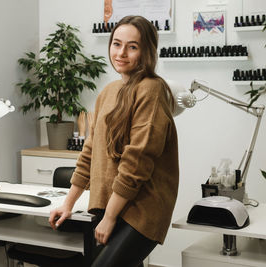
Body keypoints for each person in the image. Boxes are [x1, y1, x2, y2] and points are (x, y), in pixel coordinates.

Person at [49, 15, 179, 267]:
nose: (121, 53)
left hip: (141, 208)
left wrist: (109, 217)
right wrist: (68, 204)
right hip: (108, 203)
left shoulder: (151, 90)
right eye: (116, 44)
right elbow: (89, 153)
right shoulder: (108, 92)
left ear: (146, 52)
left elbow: (136, 163)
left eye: (132, 46)